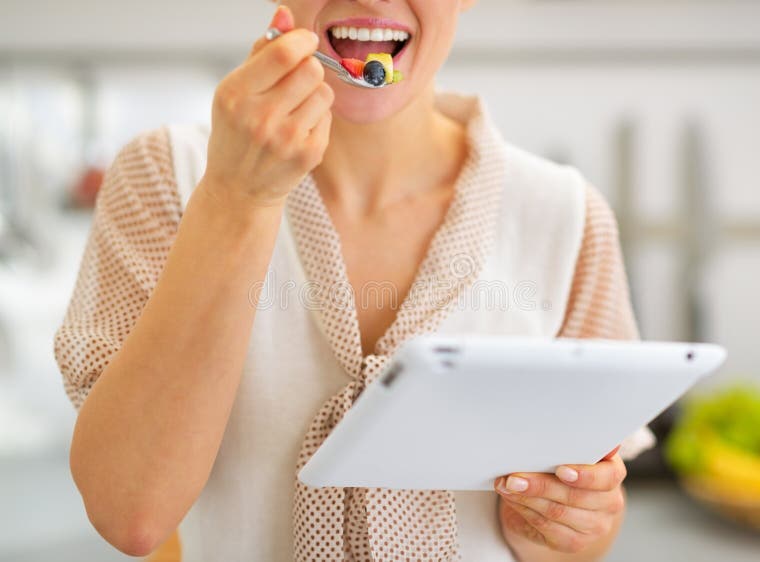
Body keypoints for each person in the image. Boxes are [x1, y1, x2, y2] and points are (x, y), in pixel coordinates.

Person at [54, 1, 655, 561]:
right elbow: (129, 513)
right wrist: (237, 199)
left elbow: (581, 527)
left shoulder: (566, 216)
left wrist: (560, 527)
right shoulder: (167, 177)